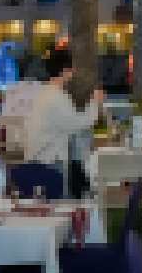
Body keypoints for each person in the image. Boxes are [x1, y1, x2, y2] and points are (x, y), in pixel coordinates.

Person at [26, 49, 105, 196]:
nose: (73, 72)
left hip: (38, 160)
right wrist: (96, 102)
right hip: (49, 162)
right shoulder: (56, 97)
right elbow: (79, 123)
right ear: (64, 71)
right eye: (72, 68)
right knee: (57, 206)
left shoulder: (44, 93)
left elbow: (72, 121)